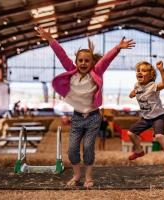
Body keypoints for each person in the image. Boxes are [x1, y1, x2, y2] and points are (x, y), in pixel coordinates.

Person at [36, 26, 135, 187]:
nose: (83, 63)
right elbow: (61, 55)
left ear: (92, 63)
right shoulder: (71, 71)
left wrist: (117, 48)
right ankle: (76, 176)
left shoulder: (96, 71)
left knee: (88, 147)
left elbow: (106, 60)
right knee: (72, 149)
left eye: (87, 61)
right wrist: (50, 39)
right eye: (80, 60)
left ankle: (88, 177)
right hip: (77, 117)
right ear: (75, 62)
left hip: (94, 117)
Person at [128, 60, 164, 173]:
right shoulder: (137, 85)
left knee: (159, 136)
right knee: (131, 133)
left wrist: (162, 70)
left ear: (151, 76)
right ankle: (139, 151)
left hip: (158, 116)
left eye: (144, 71)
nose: (140, 72)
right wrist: (132, 94)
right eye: (138, 70)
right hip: (146, 118)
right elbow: (134, 92)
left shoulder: (152, 86)